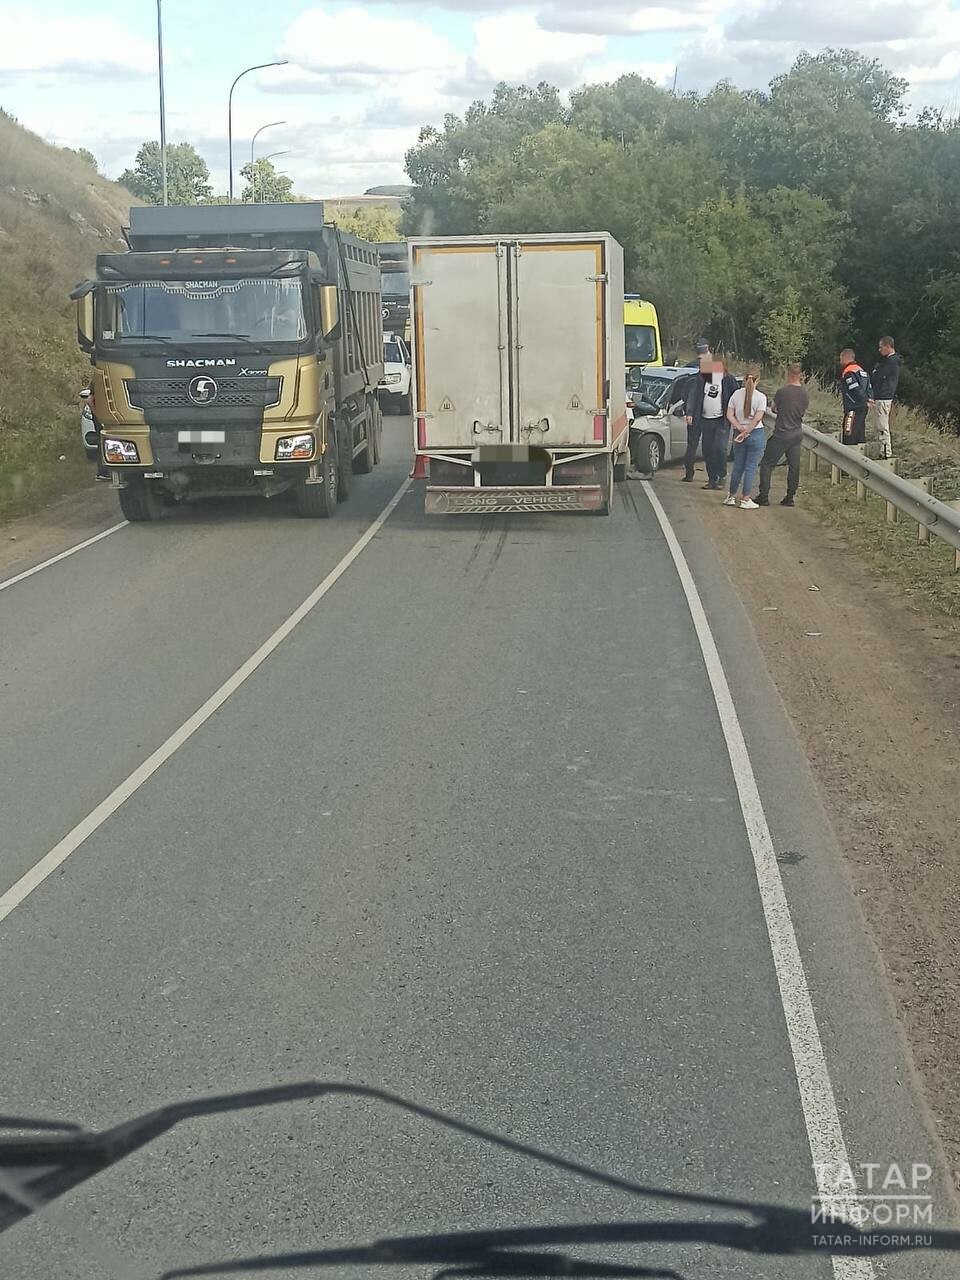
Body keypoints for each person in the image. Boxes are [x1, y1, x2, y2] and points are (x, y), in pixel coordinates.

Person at [757, 363, 809, 507]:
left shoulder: (782, 392)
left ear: (789, 374)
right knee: (794, 467)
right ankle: (790, 497)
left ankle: (764, 496)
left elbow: (774, 408)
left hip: (782, 433)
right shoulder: (804, 393)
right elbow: (803, 412)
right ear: (800, 375)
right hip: (797, 433)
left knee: (767, 464)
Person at [683, 353, 738, 488]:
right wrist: (690, 412)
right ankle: (712, 478)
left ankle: (722, 476)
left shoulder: (728, 380)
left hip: (721, 420)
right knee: (707, 450)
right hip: (705, 419)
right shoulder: (702, 379)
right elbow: (693, 395)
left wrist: (735, 415)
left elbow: (735, 396)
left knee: (719, 448)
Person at [723, 367, 767, 508]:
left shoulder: (736, 395)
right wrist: (747, 431)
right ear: (757, 380)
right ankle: (745, 498)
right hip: (755, 433)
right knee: (750, 467)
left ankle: (731, 496)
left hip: (738, 431)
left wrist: (740, 428)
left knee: (738, 466)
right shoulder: (761, 397)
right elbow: (757, 418)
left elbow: (729, 414)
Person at [870, 336, 900, 460]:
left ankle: (886, 452)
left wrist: (876, 372)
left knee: (882, 424)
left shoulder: (891, 362)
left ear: (888, 346)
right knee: (879, 424)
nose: (879, 350)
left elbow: (878, 376)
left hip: (884, 396)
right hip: (882, 395)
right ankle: (882, 449)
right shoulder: (889, 361)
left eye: (881, 347)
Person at [839, 348, 872, 445]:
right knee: (860, 433)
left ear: (845, 357)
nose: (840, 361)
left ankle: (848, 457)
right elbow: (869, 387)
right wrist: (869, 399)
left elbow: (855, 388)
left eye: (841, 358)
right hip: (863, 407)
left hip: (853, 407)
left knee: (848, 434)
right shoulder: (862, 371)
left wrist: (864, 399)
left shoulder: (849, 372)